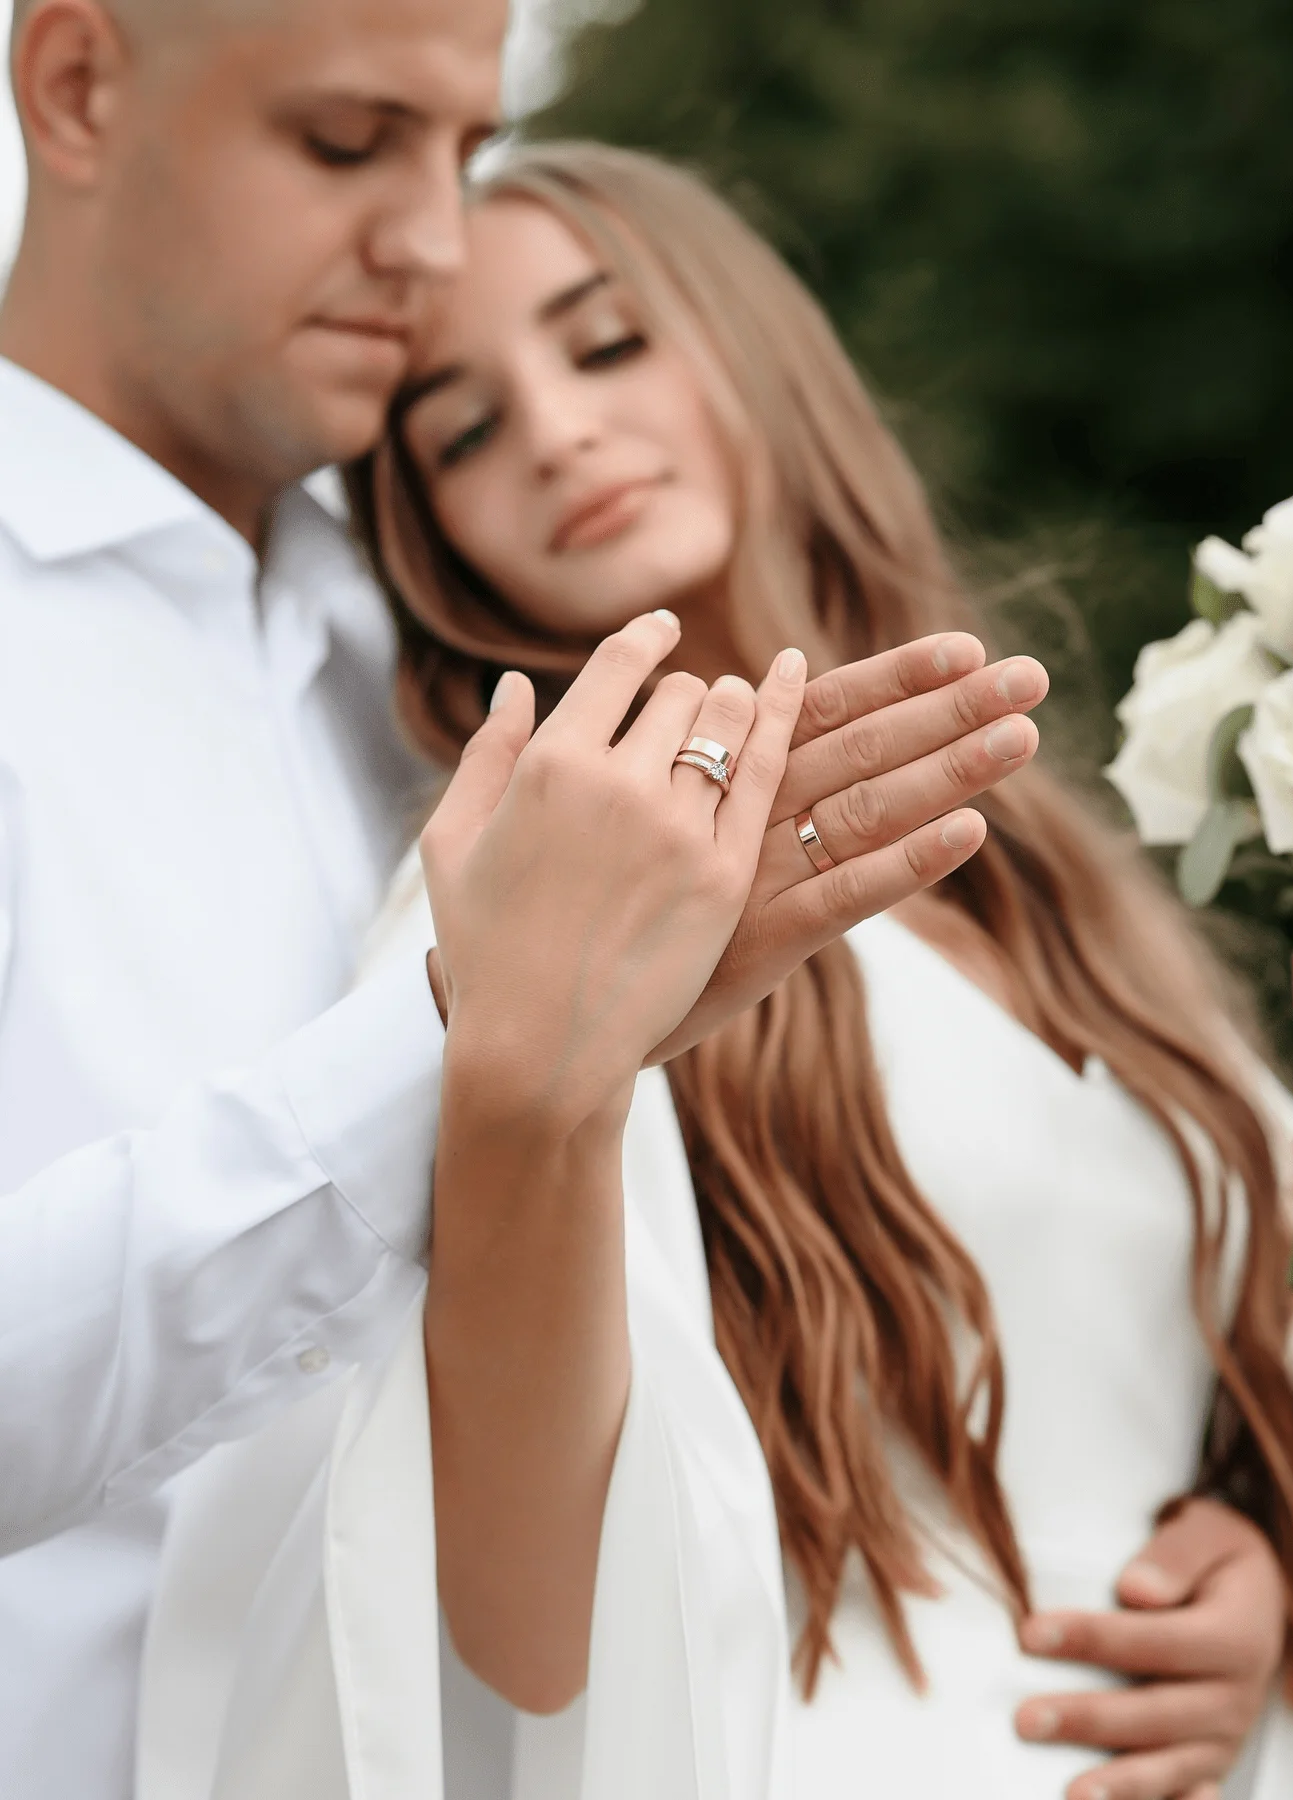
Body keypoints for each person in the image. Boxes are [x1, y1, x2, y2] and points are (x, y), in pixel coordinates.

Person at [135, 141, 1293, 1800]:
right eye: (460, 429)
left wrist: (1282, 1561)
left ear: (749, 337)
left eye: (604, 342)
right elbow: (533, 1637)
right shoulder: (523, 896)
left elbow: (1179, 1443)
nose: (553, 429)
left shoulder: (1059, 875)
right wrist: (542, 1081)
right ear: (433, 535)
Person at [0, 5, 1042, 1795]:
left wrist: (1241, 1548)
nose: (428, 239)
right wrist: (487, 1043)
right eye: (346, 143)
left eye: (462, 149)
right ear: (80, 86)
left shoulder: (467, 642)